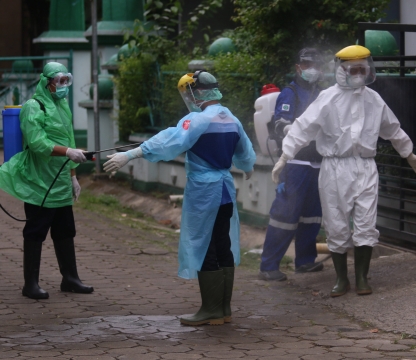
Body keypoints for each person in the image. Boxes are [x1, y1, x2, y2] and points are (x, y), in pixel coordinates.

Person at [272, 45, 416, 297]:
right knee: (336, 223)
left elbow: (392, 128)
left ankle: (363, 278)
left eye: (362, 69)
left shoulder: (373, 99)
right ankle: (341, 279)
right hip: (334, 167)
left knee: (366, 222)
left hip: (365, 166)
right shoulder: (327, 98)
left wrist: (407, 152)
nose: (358, 74)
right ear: (341, 71)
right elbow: (302, 128)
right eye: (353, 69)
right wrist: (285, 156)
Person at [103, 70, 256, 325]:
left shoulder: (197, 120)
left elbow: (169, 141)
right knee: (222, 245)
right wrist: (248, 166)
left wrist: (131, 154)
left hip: (204, 192)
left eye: (189, 92)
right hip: (226, 190)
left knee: (205, 245)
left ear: (197, 93)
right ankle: (224, 309)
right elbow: (246, 154)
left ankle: (210, 309)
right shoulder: (231, 119)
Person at [0, 62, 93, 299]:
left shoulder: (62, 105)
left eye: (66, 81)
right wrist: (67, 152)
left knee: (65, 230)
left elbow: (70, 137)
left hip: (60, 179)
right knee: (36, 230)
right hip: (39, 180)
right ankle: (30, 284)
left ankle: (70, 278)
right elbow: (37, 143)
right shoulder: (34, 106)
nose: (63, 86)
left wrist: (73, 176)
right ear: (47, 82)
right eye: (59, 81)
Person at [259, 48, 325, 281]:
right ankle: (269, 266)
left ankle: (305, 261)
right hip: (295, 162)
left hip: (318, 163)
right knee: (285, 215)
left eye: (315, 65)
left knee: (312, 216)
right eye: (307, 65)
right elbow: (279, 123)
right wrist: (290, 129)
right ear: (298, 67)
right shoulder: (290, 93)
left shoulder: (323, 94)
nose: (311, 69)